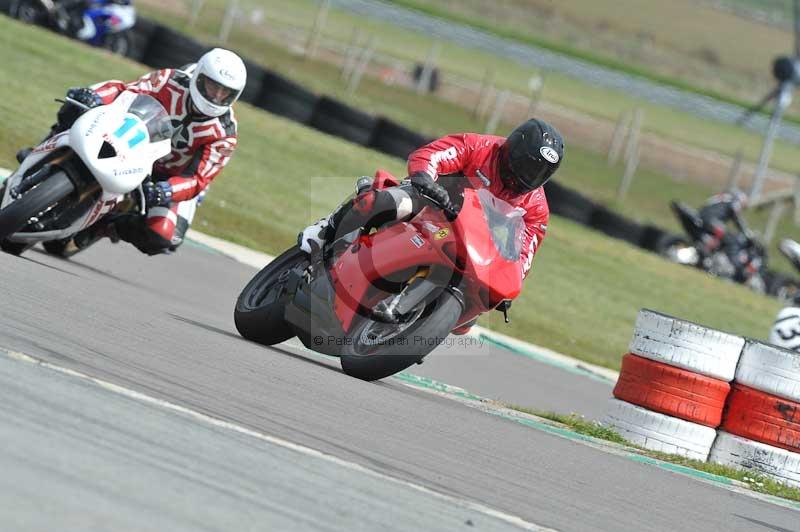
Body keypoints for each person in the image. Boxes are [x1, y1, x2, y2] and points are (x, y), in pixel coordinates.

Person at [298, 118, 564, 333]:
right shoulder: (480, 146)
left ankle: (412, 329)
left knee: (472, 316)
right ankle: (325, 230)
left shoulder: (537, 207)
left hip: (472, 243)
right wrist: (425, 178)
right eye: (526, 166)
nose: (527, 176)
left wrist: (508, 284)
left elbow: (523, 256)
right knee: (391, 202)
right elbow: (433, 155)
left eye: (538, 173)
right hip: (430, 204)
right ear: (512, 149)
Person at [19, 48, 246, 255]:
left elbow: (198, 179)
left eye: (225, 92)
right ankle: (41, 153)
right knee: (76, 105)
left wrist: (166, 191)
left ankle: (106, 226)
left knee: (164, 236)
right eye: (212, 86)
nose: (217, 96)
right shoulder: (169, 80)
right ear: (199, 78)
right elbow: (126, 91)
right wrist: (95, 95)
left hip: (168, 177)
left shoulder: (225, 133)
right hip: (135, 143)